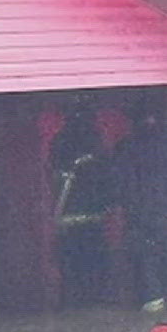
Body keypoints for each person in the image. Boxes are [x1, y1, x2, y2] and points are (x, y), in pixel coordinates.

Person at [113, 98, 167, 317]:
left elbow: (123, 183)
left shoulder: (128, 147)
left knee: (148, 256)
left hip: (143, 215)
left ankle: (154, 297)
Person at [49, 104, 113, 306]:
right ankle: (84, 296)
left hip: (80, 211)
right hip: (80, 209)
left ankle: (78, 296)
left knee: (77, 258)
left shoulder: (67, 140)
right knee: (84, 257)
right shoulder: (89, 141)